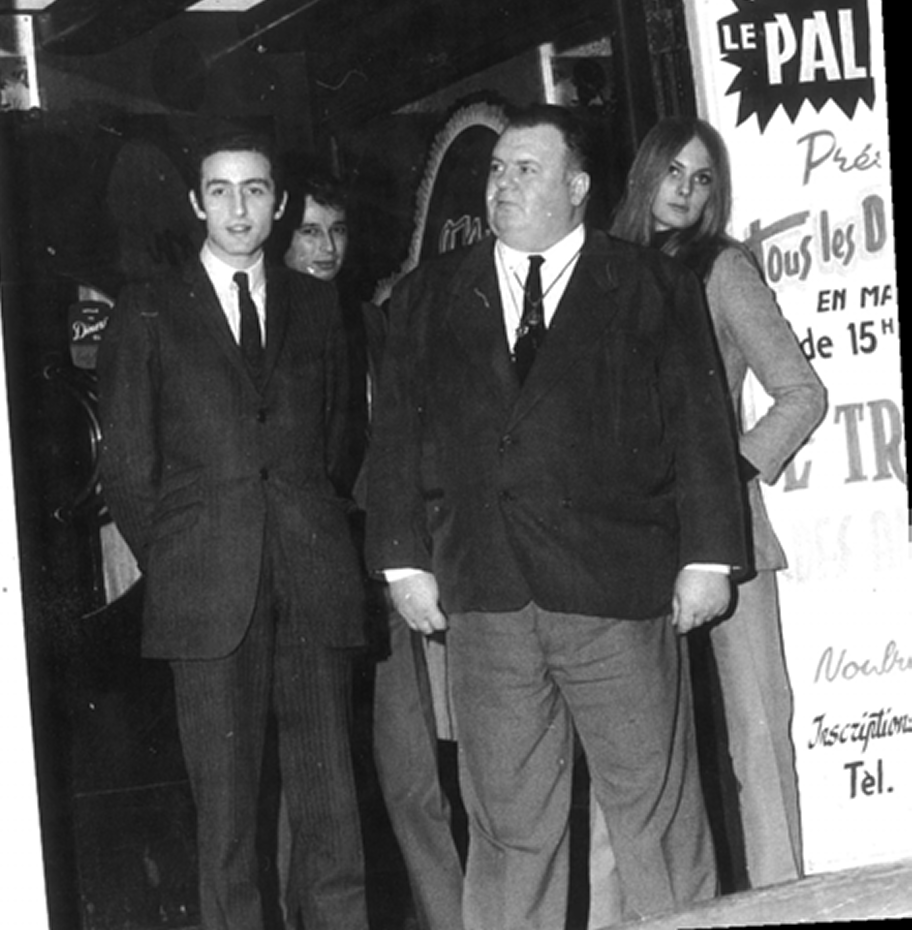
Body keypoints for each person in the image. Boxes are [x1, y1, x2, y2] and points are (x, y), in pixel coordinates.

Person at [365, 103, 749, 930]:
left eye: (525, 170)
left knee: (657, 819)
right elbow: (393, 438)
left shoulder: (652, 285)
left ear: (577, 186)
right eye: (496, 170)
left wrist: (709, 558)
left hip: (618, 593)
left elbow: (699, 427)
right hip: (486, 597)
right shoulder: (428, 296)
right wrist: (402, 561)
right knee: (508, 830)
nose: (501, 185)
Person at [96, 130, 369, 930]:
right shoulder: (149, 308)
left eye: (254, 189)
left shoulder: (318, 305)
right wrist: (185, 560)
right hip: (207, 596)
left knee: (333, 818)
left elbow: (337, 443)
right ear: (196, 202)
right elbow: (128, 469)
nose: (238, 207)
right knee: (227, 829)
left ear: (279, 203)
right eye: (220, 190)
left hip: (312, 583)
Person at [609, 117, 826, 890]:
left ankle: (781, 896)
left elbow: (802, 391)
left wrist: (727, 471)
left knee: (759, 728)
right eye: (673, 171)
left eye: (702, 178)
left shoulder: (724, 269)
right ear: (645, 173)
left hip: (728, 533)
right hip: (630, 534)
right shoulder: (601, 270)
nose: (686, 190)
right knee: (630, 740)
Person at [276, 171, 465, 930]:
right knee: (305, 792)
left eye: (337, 231)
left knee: (415, 779)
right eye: (309, 231)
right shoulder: (261, 331)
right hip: (302, 588)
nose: (326, 248)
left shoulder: (371, 326)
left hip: (381, 577)